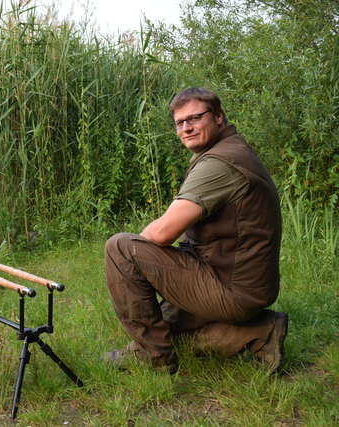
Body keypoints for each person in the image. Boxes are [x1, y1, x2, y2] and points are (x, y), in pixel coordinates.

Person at [103, 87, 288, 375]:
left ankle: (156, 359)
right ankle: (262, 332)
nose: (186, 128)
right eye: (180, 122)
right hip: (240, 280)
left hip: (232, 289)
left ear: (218, 117)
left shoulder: (218, 164)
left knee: (121, 248)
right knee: (164, 326)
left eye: (195, 118)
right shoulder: (227, 150)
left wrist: (138, 256)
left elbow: (163, 233)